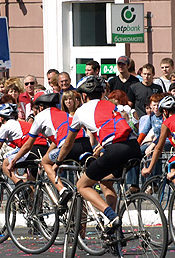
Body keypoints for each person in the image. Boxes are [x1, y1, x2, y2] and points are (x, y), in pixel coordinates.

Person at [53, 76, 142, 227]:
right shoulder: (109, 105)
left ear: (83, 96)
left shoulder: (80, 112)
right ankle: (111, 229)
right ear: (101, 94)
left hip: (115, 150)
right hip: (134, 147)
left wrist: (58, 161)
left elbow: (68, 144)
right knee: (106, 181)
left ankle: (111, 217)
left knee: (82, 185)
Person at [10, 92, 91, 204]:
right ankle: (81, 219)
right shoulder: (65, 114)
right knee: (80, 189)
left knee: (45, 162)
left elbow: (28, 145)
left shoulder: (40, 117)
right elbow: (54, 142)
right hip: (86, 144)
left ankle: (62, 190)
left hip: (70, 146)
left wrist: (14, 161)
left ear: (41, 107)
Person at [0, 102, 48, 184]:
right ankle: (27, 193)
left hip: (33, 149)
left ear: (1, 118)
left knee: (5, 164)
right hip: (44, 148)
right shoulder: (20, 124)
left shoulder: (6, 126)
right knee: (29, 183)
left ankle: (19, 187)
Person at [140, 95, 175, 178]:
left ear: (165, 111)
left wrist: (149, 169)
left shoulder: (167, 122)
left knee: (170, 166)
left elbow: (158, 148)